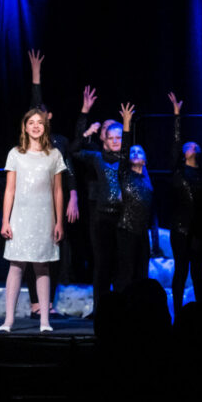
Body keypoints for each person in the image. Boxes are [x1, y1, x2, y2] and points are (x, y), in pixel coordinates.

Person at [0, 108, 66, 333]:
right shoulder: (15, 154)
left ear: (45, 127)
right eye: (31, 122)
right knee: (16, 265)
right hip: (20, 217)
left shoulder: (54, 155)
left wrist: (59, 222)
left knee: (42, 266)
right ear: (25, 127)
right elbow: (10, 190)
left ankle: (44, 320)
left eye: (40, 122)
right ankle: (9, 320)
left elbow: (58, 191)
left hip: (44, 218)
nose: (36, 126)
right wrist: (5, 221)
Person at [24, 49, 79, 318]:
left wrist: (74, 196)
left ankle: (48, 303)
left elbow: (69, 170)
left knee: (54, 251)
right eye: (33, 118)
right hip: (32, 201)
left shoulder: (59, 142)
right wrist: (36, 75)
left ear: (50, 117)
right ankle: (35, 304)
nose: (38, 120)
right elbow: (35, 103)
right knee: (32, 251)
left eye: (42, 116)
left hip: (54, 202)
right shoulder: (30, 142)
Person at [70, 87, 134, 313]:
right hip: (101, 218)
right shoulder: (97, 157)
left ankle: (123, 309)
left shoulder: (129, 158)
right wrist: (84, 115)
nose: (115, 141)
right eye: (111, 138)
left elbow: (127, 146)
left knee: (123, 265)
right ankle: (101, 309)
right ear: (104, 140)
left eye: (119, 138)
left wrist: (127, 124)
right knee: (102, 265)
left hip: (124, 218)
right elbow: (74, 150)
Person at [167, 92, 202, 315]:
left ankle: (201, 313)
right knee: (181, 271)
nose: (191, 147)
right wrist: (177, 115)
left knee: (198, 273)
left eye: (195, 145)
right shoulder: (178, 170)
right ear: (183, 153)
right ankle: (178, 314)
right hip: (181, 229)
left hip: (199, 231)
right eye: (188, 145)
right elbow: (175, 143)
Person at [115, 143, 153, 292]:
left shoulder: (147, 181)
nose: (136, 153)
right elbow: (123, 154)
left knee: (142, 273)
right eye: (133, 152)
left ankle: (139, 303)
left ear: (145, 160)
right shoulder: (125, 174)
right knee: (126, 273)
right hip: (126, 230)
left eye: (139, 152)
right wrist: (126, 129)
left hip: (142, 233)